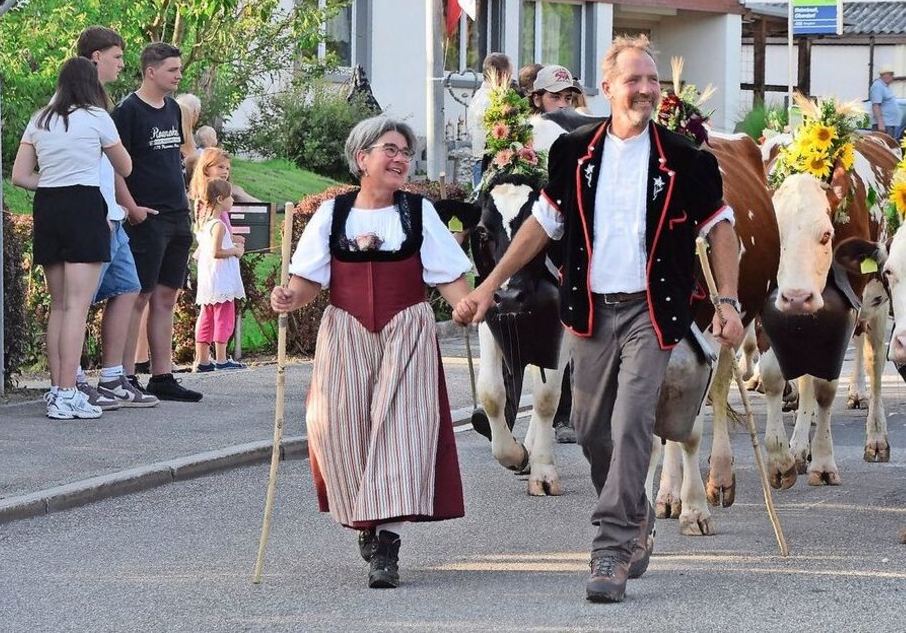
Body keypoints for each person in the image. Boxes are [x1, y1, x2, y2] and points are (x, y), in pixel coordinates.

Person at [454, 35, 744, 604]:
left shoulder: (685, 158)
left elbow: (721, 229)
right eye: (633, 81)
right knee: (588, 430)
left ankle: (610, 547)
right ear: (608, 87)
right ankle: (636, 515)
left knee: (633, 420)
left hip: (652, 311)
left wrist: (729, 301)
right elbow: (543, 226)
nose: (645, 90)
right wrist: (488, 286)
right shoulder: (575, 153)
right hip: (588, 311)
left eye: (652, 81)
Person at [270, 116, 473, 589]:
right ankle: (364, 519)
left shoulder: (418, 213)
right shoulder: (332, 214)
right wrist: (287, 299)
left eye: (407, 152)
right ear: (362, 158)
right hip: (345, 330)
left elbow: (450, 279)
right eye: (391, 149)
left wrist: (467, 303)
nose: (401, 159)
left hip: (407, 332)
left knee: (401, 433)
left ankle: (387, 544)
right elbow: (305, 285)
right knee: (334, 426)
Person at [12, 58, 133, 419]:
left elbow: (20, 175)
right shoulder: (97, 118)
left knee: (60, 305)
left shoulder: (40, 119)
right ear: (90, 83)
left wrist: (50, 183)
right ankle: (69, 392)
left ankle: (56, 390)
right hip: (84, 204)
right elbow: (125, 167)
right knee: (78, 308)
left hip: (48, 207)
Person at [73, 26, 159, 409]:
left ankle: (111, 376)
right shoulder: (77, 107)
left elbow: (114, 168)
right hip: (89, 217)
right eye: (117, 57)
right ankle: (69, 377)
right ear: (95, 58)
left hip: (113, 216)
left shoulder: (102, 105)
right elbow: (119, 162)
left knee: (127, 287)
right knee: (73, 302)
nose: (123, 65)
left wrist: (122, 207)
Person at [112, 42, 203, 402]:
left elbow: (181, 157)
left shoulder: (174, 110)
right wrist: (131, 207)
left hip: (178, 214)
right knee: (139, 295)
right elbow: (115, 165)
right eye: (172, 69)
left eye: (179, 69)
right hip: (146, 217)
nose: (179, 75)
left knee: (168, 295)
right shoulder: (128, 112)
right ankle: (125, 375)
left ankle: (162, 376)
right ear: (151, 71)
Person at [528, 63, 585, 444]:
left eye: (568, 97)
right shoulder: (517, 137)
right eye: (556, 97)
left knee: (570, 320)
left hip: (564, 242)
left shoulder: (582, 135)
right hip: (526, 240)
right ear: (537, 99)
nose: (563, 105)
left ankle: (566, 411)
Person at [193, 178, 247, 372]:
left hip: (209, 281)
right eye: (230, 196)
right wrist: (235, 251)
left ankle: (203, 360)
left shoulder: (205, 224)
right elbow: (217, 252)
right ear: (220, 199)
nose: (232, 200)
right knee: (224, 317)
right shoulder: (219, 226)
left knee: (206, 317)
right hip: (221, 280)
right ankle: (222, 359)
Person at [467, 52, 511, 187]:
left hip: (479, 161)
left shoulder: (478, 96)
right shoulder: (494, 99)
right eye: (509, 74)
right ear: (500, 74)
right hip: (490, 164)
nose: (510, 80)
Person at [189, 147, 257, 205]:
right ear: (206, 169)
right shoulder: (194, 194)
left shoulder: (233, 190)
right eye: (220, 167)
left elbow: (259, 206)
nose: (225, 172)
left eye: (227, 169)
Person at [869, 67, 902, 138]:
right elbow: (876, 105)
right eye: (891, 74)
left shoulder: (886, 86)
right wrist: (880, 123)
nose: (892, 77)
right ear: (885, 75)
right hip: (884, 125)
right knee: (882, 146)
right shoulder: (878, 86)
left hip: (890, 124)